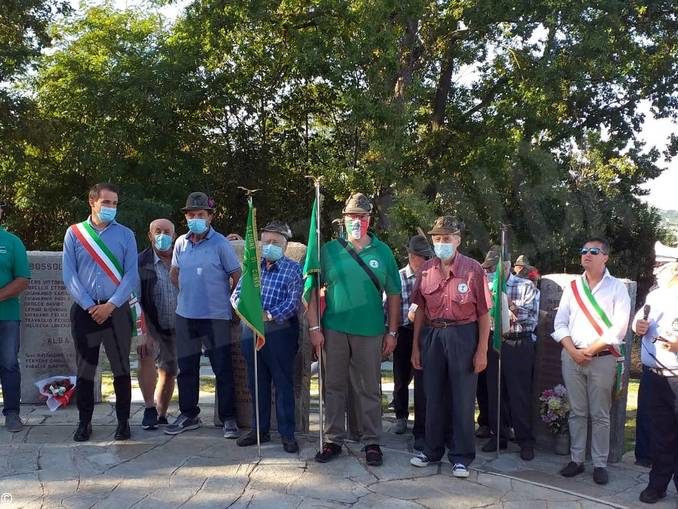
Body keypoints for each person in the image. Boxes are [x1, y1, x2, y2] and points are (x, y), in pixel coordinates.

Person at [307, 193, 401, 467]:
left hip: (370, 331)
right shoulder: (328, 250)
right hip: (334, 329)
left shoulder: (383, 252)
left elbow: (394, 294)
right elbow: (311, 289)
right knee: (333, 387)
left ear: (369, 220)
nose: (356, 221)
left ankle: (372, 440)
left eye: (361, 216)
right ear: (344, 219)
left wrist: (392, 332)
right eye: (352, 217)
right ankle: (333, 439)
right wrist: (314, 326)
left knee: (369, 388)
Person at [409, 216, 491, 479]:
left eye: (446, 238)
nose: (441, 243)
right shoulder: (426, 270)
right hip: (433, 334)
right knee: (432, 396)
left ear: (458, 240)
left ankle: (461, 456)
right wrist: (415, 347)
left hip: (463, 335)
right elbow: (420, 309)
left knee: (463, 398)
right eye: (437, 238)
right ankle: (431, 450)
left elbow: (483, 314)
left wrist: (482, 351)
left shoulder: (473, 269)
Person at [63, 183, 139, 442]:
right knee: (85, 369)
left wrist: (111, 305)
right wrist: (88, 305)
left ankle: (123, 423)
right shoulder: (75, 233)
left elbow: (131, 274)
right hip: (86, 311)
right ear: (92, 202)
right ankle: (84, 423)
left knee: (121, 369)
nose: (111, 208)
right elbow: (69, 274)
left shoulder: (126, 234)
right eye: (106, 202)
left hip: (115, 310)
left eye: (115, 203)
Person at [551, 237, 630, 485]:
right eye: (584, 251)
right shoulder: (573, 287)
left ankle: (599, 463)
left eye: (593, 251)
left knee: (600, 413)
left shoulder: (617, 288)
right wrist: (573, 350)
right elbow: (560, 322)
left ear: (605, 257)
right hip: (571, 356)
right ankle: (576, 460)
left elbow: (619, 328)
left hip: (602, 358)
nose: (587, 254)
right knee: (576, 411)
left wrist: (589, 351)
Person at [165, 192, 242, 438]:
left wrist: (230, 305)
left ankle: (228, 418)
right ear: (186, 217)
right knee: (187, 368)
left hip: (216, 316)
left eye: (201, 215)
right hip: (185, 315)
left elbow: (236, 276)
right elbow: (174, 274)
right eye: (191, 215)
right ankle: (189, 414)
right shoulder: (180, 243)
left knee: (222, 369)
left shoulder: (220, 243)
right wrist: (190, 293)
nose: (196, 218)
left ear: (210, 217)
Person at [231, 220, 303, 453]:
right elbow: (237, 294)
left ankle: (287, 434)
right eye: (266, 241)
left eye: (275, 242)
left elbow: (293, 302)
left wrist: (268, 315)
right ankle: (258, 429)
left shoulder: (293, 268)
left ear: (284, 244)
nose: (270, 245)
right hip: (250, 330)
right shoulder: (253, 267)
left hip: (279, 331)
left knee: (282, 384)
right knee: (255, 382)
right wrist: (246, 311)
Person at [482, 259, 540, 460]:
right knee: (495, 392)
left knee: (519, 394)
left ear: (507, 265)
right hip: (495, 342)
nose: (492, 270)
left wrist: (508, 305)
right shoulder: (487, 285)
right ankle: (498, 435)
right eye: (489, 267)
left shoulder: (525, 285)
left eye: (495, 265)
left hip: (518, 342)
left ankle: (525, 440)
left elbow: (529, 314)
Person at [632, 261, 678, 505]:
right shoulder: (655, 295)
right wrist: (637, 326)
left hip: (677, 377)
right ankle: (657, 485)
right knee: (660, 435)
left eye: (661, 266)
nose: (654, 270)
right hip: (653, 375)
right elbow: (639, 321)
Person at [391, 235, 433, 452]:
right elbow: (387, 306)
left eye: (427, 256)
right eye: (422, 257)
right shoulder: (397, 277)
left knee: (422, 378)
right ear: (411, 256)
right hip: (403, 332)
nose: (425, 260)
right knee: (400, 376)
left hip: (425, 332)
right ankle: (400, 416)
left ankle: (422, 420)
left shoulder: (430, 277)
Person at [137, 218, 179, 429]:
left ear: (174, 235)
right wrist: (144, 329)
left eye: (167, 232)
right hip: (150, 323)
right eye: (158, 231)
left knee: (169, 370)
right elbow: (134, 297)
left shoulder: (183, 258)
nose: (163, 236)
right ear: (150, 235)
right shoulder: (140, 262)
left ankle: (161, 414)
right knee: (146, 359)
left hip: (179, 324)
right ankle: (148, 409)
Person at [0, 202, 31, 432]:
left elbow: (22, 279)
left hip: (7, 316)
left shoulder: (12, 242)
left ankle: (12, 414)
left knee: (9, 364)